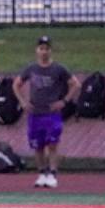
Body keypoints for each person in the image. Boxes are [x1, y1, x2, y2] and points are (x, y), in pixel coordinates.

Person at [12, 36, 80, 189]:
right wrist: (23, 102)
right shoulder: (31, 69)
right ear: (37, 50)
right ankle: (42, 172)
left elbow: (75, 84)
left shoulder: (58, 69)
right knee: (37, 145)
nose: (44, 52)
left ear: (50, 50)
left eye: (46, 49)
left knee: (52, 144)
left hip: (51, 112)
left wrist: (64, 101)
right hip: (35, 112)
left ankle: (53, 173)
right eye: (41, 49)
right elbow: (16, 84)